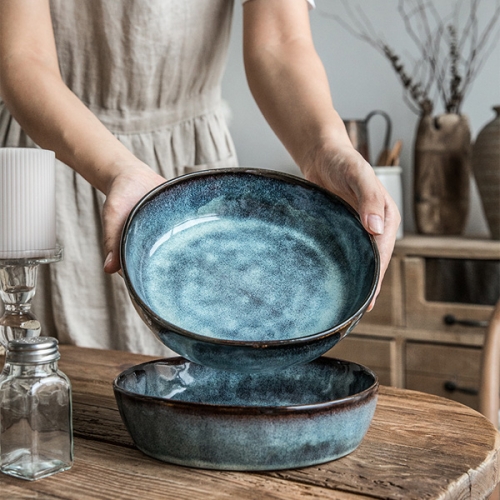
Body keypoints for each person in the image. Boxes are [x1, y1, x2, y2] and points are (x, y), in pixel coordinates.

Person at [0, 0, 400, 356]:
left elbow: (279, 42)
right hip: (59, 154)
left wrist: (326, 149)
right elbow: (22, 58)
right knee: (55, 374)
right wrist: (121, 169)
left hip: (197, 173)